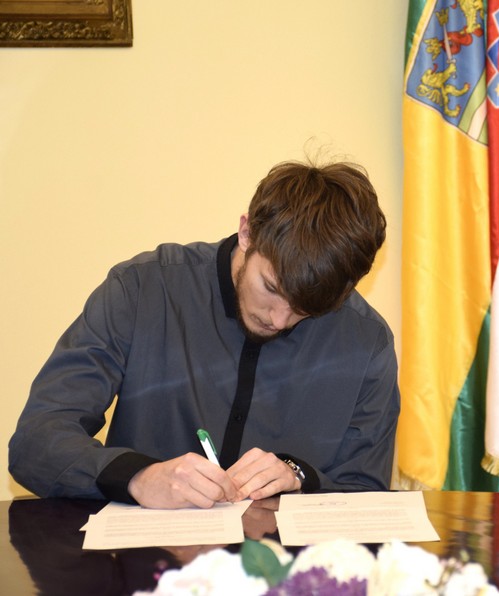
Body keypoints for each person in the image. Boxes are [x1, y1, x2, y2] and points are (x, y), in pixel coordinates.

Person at [9, 159, 400, 509]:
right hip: (144, 563)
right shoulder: (142, 291)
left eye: (307, 308)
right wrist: (137, 477)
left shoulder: (367, 344)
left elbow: (366, 493)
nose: (280, 320)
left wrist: (301, 477)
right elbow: (36, 443)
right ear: (247, 233)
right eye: (271, 288)